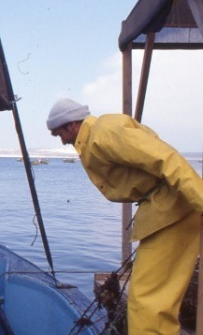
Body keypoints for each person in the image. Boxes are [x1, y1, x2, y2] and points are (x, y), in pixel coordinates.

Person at [46, 98, 203, 334]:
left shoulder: (104, 132)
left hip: (172, 212)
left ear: (71, 125)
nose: (63, 141)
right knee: (156, 300)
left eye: (60, 134)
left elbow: (167, 158)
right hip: (165, 212)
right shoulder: (96, 136)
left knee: (147, 302)